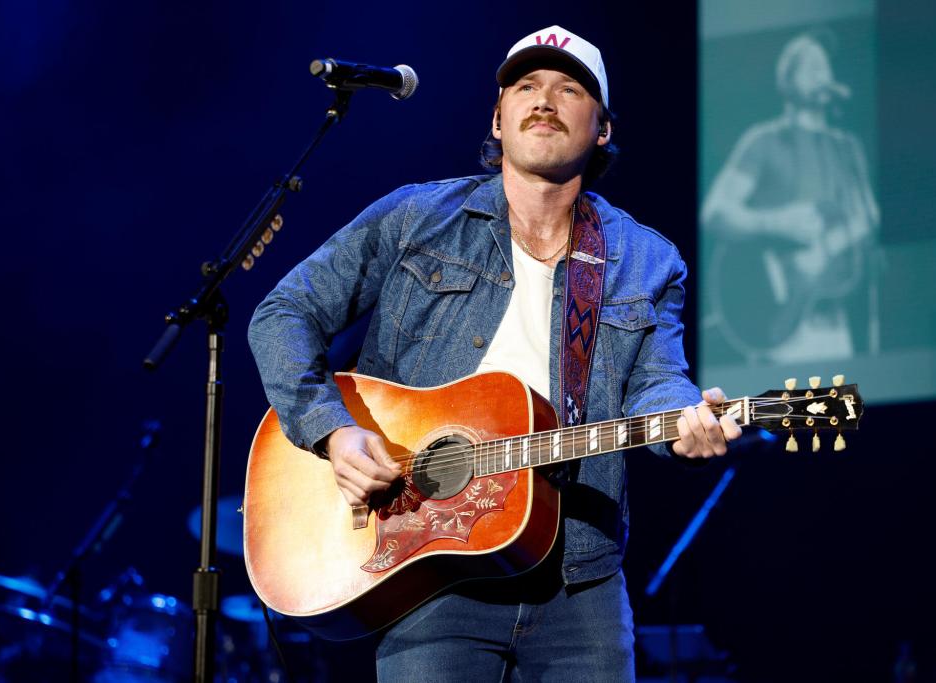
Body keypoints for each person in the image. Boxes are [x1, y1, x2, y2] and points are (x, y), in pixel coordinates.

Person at [249, 25, 741, 681]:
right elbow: (283, 314)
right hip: (426, 564)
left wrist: (686, 421)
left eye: (569, 89)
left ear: (602, 129)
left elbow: (659, 382)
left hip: (579, 578)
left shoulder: (647, 259)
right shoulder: (416, 218)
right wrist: (334, 430)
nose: (544, 100)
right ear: (498, 119)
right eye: (526, 86)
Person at [700, 31, 880, 363]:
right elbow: (715, 212)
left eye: (824, 66)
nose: (821, 73)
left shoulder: (847, 148)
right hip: (778, 326)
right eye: (810, 65)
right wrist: (779, 222)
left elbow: (868, 216)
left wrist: (834, 243)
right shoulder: (764, 141)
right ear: (788, 79)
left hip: (833, 320)